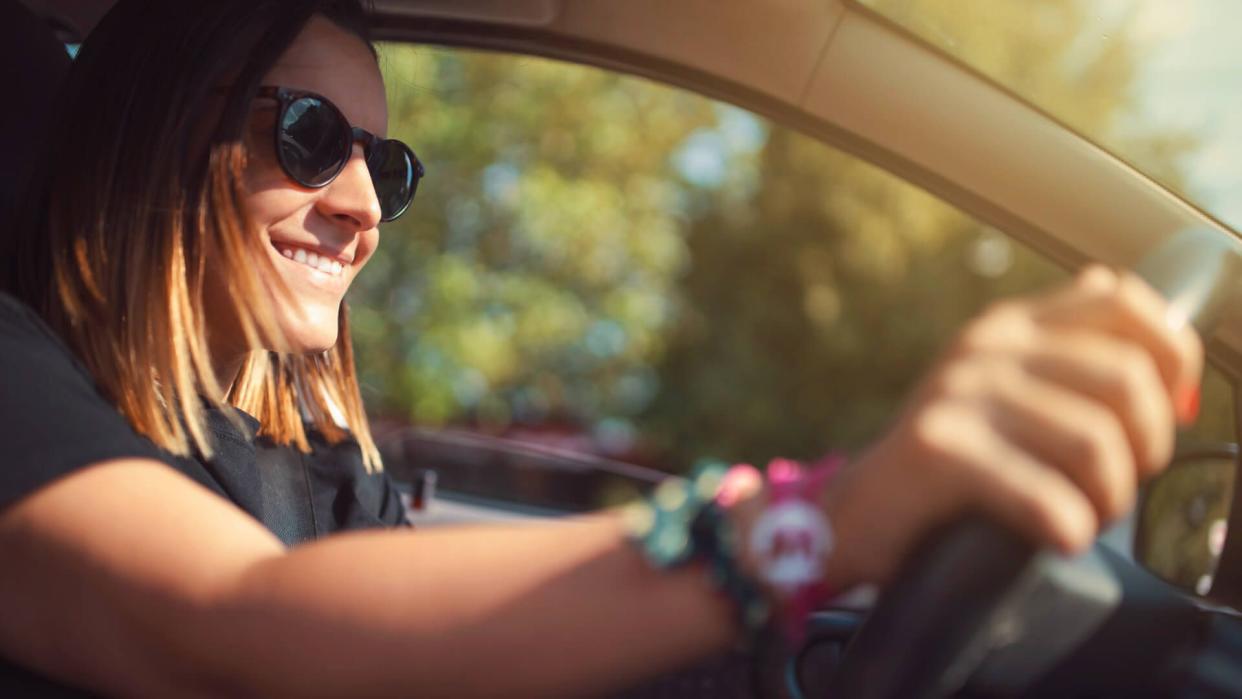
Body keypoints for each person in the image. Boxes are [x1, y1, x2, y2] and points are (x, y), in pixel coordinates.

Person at [0, 0, 1203, 696]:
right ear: (158, 137)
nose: (367, 208)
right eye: (313, 138)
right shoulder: (15, 383)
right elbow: (233, 621)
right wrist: (815, 524)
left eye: (392, 166)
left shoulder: (303, 461)